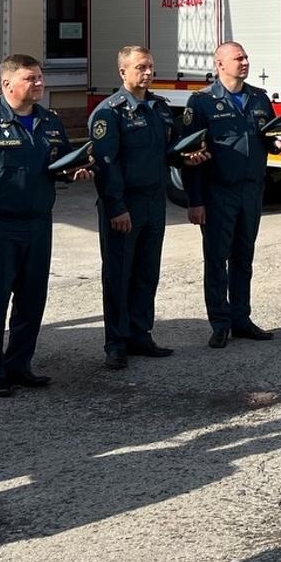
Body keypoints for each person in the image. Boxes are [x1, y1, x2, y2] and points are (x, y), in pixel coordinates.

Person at [0, 55, 89, 397]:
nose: (39, 83)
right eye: (30, 78)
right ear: (6, 84)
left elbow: (61, 162)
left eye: (40, 77)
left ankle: (19, 364)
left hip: (38, 225)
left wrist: (75, 171)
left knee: (32, 300)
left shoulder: (50, 121)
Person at [183, 42, 281, 348]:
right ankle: (220, 323)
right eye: (238, 58)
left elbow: (268, 141)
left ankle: (241, 319)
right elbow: (190, 158)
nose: (245, 62)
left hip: (251, 190)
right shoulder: (202, 102)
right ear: (220, 64)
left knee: (244, 257)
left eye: (246, 57)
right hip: (218, 191)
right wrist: (195, 201)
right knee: (217, 259)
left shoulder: (258, 98)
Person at [90, 45, 185, 370]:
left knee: (147, 272)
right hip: (125, 205)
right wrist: (116, 207)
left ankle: (140, 334)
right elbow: (107, 166)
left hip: (153, 202)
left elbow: (167, 151)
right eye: (141, 67)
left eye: (150, 67)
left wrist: (188, 155)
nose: (147, 73)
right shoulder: (109, 112)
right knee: (119, 274)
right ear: (123, 72)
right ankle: (116, 343)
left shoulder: (158, 108)